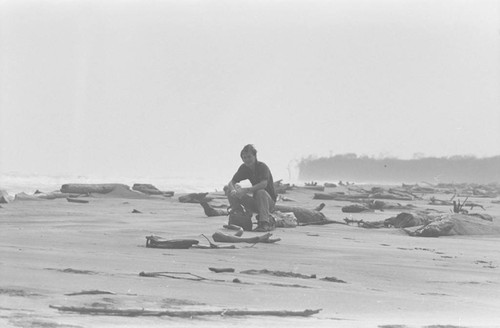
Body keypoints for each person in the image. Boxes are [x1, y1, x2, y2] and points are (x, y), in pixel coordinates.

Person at [225, 144, 277, 232]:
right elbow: (231, 182)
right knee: (228, 189)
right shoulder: (244, 168)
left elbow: (264, 184)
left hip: (268, 203)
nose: (247, 160)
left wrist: (246, 190)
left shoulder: (262, 167)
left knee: (261, 192)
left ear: (255, 156)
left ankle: (264, 222)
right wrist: (234, 190)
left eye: (249, 157)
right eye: (244, 157)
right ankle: (239, 213)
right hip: (256, 202)